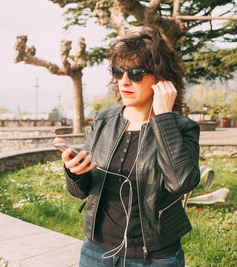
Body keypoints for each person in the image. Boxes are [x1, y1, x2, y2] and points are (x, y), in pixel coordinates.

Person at [60, 27, 200, 267]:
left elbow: (182, 183)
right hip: (97, 253)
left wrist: (164, 117)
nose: (124, 81)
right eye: (118, 71)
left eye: (135, 73)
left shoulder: (181, 128)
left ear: (161, 78)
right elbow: (81, 192)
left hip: (155, 258)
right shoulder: (103, 122)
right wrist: (74, 172)